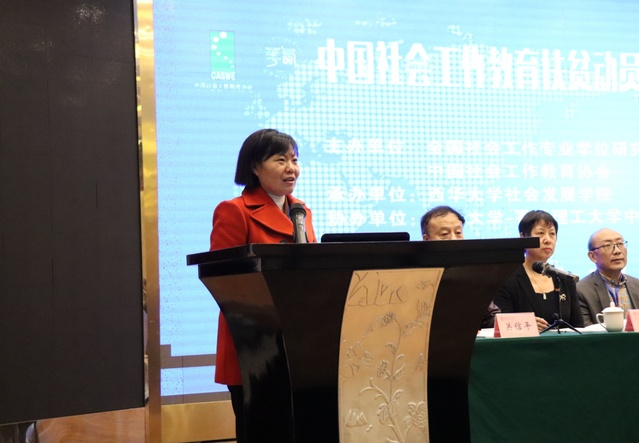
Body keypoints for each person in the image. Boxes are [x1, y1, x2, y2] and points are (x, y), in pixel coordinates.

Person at [209, 128, 317, 442]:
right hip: (252, 346)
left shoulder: (301, 212)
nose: (291, 168)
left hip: (298, 343)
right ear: (255, 166)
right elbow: (223, 280)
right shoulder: (235, 210)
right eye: (280, 160)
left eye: (294, 160)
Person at [493, 210, 584, 332]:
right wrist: (526, 325)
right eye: (540, 233)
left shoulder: (564, 279)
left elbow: (578, 327)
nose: (548, 240)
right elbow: (500, 325)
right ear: (523, 238)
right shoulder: (507, 279)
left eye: (552, 234)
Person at [420, 205, 500, 328]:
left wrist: (509, 324)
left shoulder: (472, 274)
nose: (454, 239)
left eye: (458, 233)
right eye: (444, 234)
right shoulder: (417, 275)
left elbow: (489, 316)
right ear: (426, 239)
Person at [577, 228, 639, 326]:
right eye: (608, 246)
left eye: (620, 244)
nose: (617, 251)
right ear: (593, 256)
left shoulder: (637, 285)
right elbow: (586, 331)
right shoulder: (581, 290)